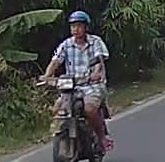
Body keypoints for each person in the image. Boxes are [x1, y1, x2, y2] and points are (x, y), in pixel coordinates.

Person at [41, 10, 112, 152]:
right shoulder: (66, 44)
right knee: (57, 108)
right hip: (72, 87)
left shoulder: (95, 42)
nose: (76, 29)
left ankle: (102, 137)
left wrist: (96, 73)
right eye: (73, 26)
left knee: (89, 109)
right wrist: (47, 76)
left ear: (86, 27)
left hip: (92, 85)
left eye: (79, 26)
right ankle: (61, 135)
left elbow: (99, 61)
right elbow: (55, 61)